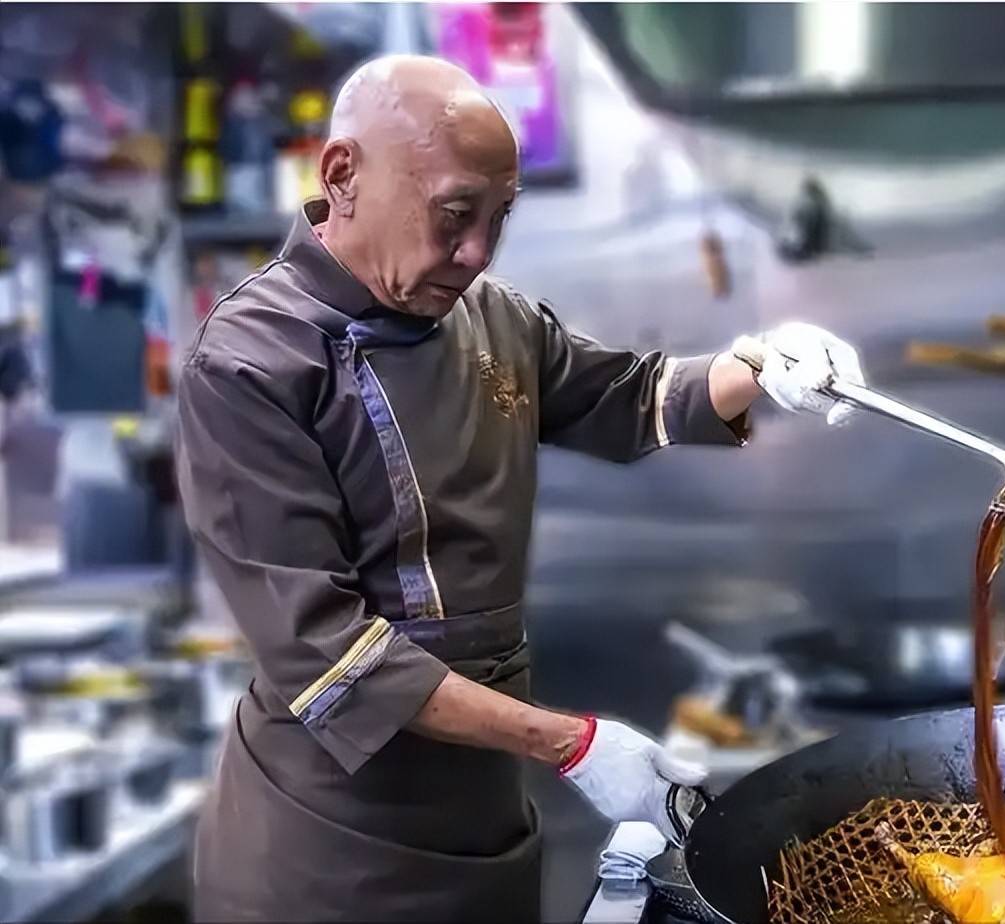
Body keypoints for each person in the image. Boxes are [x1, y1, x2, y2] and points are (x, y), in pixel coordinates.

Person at [176, 54, 864, 922]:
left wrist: (761, 367)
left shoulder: (491, 318)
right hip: (330, 846)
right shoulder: (251, 362)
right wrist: (571, 744)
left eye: (498, 218)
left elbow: (630, 397)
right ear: (342, 175)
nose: (475, 253)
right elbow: (327, 656)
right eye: (454, 214)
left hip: (485, 814)